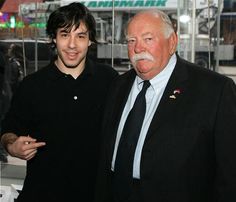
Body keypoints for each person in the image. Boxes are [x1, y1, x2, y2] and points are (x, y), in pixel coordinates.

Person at [95, 9, 236, 202]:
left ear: (172, 42)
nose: (138, 48)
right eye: (131, 41)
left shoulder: (214, 90)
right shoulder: (118, 85)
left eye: (148, 39)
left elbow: (230, 173)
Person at [0, 2, 118, 202]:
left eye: (80, 36)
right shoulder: (32, 86)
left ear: (90, 40)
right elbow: (7, 131)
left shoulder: (109, 80)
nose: (72, 45)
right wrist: (12, 146)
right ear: (53, 38)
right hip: (41, 194)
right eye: (65, 34)